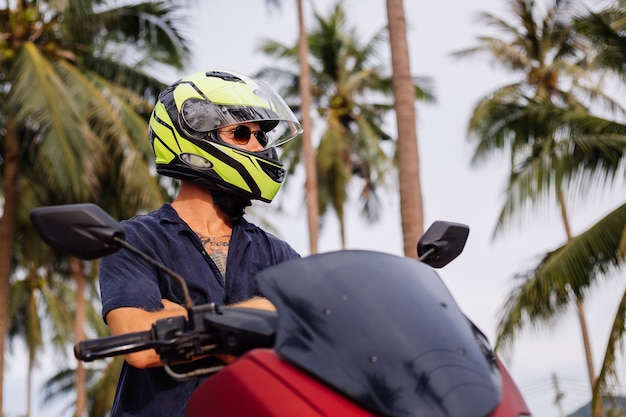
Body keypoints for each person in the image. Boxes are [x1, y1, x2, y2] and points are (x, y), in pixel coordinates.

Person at [98, 69, 303, 417]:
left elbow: (303, 345)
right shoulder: (134, 240)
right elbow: (140, 342)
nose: (259, 147)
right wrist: (264, 316)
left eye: (260, 137)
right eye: (242, 133)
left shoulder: (278, 253)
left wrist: (180, 317)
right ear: (194, 138)